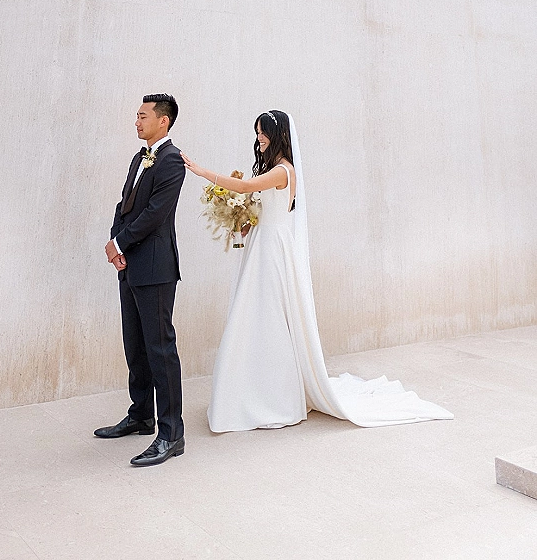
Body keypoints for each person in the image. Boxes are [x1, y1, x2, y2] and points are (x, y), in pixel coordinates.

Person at [182, 110, 454, 432]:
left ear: (278, 134)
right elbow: (260, 206)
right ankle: (248, 392)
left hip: (273, 250)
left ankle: (274, 397)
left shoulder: (283, 171)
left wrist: (202, 172)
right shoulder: (271, 169)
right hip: (261, 244)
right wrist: (245, 223)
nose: (259, 138)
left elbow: (244, 187)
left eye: (263, 132)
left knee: (270, 315)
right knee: (254, 314)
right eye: (257, 133)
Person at [95, 93, 186, 466]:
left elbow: (154, 214)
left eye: (142, 115)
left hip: (155, 268)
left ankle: (172, 433)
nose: (136, 121)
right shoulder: (139, 158)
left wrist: (120, 242)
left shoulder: (172, 161)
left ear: (163, 120)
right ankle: (142, 415)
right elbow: (125, 205)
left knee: (160, 349)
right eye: (136, 115)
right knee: (135, 345)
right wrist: (114, 242)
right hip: (130, 264)